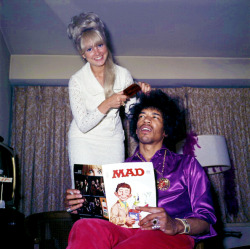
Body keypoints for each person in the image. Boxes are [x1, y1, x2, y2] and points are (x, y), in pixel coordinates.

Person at [65, 90, 217, 249]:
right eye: (141, 116)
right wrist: (80, 204)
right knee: (85, 226)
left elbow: (206, 222)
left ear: (166, 130)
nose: (146, 120)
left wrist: (176, 225)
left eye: (155, 117)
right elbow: (106, 215)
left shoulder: (187, 165)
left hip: (169, 234)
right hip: (126, 230)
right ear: (136, 129)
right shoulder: (119, 170)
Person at [67, 12, 151, 186]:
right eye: (89, 49)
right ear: (83, 54)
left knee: (116, 192)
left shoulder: (123, 75)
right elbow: (83, 124)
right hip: (84, 141)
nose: (96, 52)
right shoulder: (76, 81)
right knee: (88, 195)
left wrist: (140, 95)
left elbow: (131, 112)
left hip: (113, 141)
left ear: (106, 45)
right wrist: (107, 104)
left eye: (99, 45)